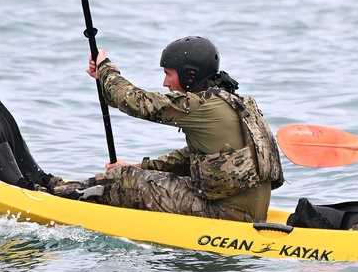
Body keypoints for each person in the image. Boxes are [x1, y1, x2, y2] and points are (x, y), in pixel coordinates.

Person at [55, 35, 284, 222]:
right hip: (246, 213)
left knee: (124, 179)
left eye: (168, 74)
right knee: (132, 173)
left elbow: (134, 102)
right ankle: (69, 189)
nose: (165, 83)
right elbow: (197, 158)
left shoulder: (200, 105)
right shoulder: (233, 102)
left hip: (224, 215)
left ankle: (56, 198)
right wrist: (142, 166)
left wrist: (106, 69)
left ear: (189, 75)